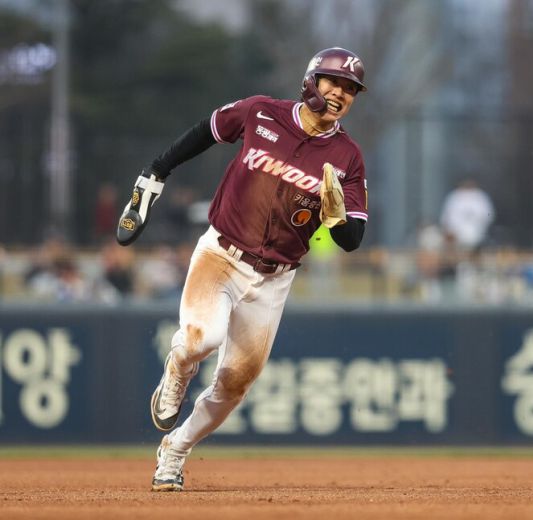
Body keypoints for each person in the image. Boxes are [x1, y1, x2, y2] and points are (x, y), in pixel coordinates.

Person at [116, 48, 369, 492]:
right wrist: (157, 170)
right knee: (201, 339)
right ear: (311, 81)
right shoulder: (262, 113)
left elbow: (352, 240)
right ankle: (178, 369)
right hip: (221, 254)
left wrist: (336, 218)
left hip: (275, 277)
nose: (340, 93)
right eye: (333, 81)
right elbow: (206, 132)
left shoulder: (347, 156)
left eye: (350, 89)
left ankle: (174, 452)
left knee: (234, 384)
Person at [439, 178, 495, 252]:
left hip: (478, 236)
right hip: (455, 237)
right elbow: (446, 217)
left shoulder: (480, 196)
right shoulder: (454, 196)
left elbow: (488, 215)